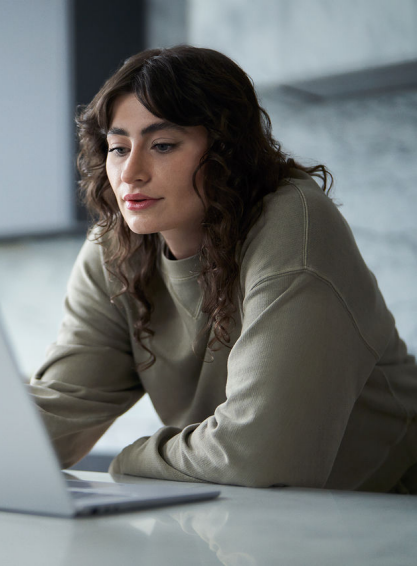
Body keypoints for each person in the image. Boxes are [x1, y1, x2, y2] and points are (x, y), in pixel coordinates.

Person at [29, 45, 417, 493]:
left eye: (162, 145)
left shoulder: (293, 223)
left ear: (225, 150)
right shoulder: (115, 248)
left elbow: (260, 456)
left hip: (389, 517)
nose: (130, 172)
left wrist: (131, 459)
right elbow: (62, 409)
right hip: (260, 523)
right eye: (118, 148)